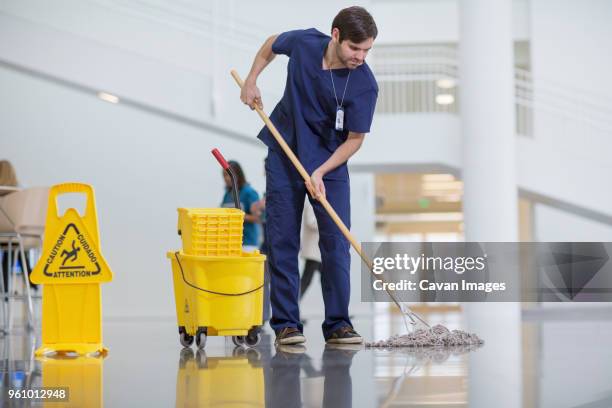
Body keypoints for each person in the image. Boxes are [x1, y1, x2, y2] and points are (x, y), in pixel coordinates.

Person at [240, 6, 378, 345]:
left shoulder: (364, 85)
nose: (360, 57)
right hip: (285, 151)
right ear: (335, 36)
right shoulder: (304, 43)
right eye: (354, 48)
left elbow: (355, 139)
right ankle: (286, 324)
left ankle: (338, 325)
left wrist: (320, 170)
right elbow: (271, 44)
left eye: (366, 50)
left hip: (329, 164)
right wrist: (251, 79)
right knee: (282, 240)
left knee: (335, 243)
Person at [220, 160, 260, 251]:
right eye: (224, 175)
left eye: (228, 175)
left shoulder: (249, 192)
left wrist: (237, 216)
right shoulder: (227, 194)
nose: (226, 178)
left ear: (238, 174)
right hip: (229, 243)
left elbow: (258, 218)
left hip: (247, 244)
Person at [299, 199, 321, 300]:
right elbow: (311, 222)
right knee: (306, 281)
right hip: (313, 251)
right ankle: (293, 308)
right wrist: (327, 221)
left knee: (330, 280)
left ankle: (338, 311)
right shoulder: (311, 201)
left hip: (318, 252)